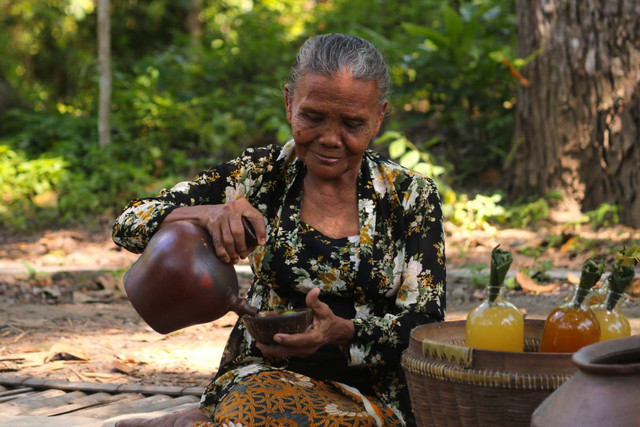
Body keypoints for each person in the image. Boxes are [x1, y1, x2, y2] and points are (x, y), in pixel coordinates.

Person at [112, 33, 446, 427]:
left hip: (375, 397)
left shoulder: (409, 197)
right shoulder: (262, 175)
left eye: (353, 123)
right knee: (260, 408)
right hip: (260, 380)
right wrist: (209, 213)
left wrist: (344, 331)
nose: (330, 138)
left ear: (379, 117)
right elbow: (128, 223)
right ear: (289, 102)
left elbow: (425, 326)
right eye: (313, 117)